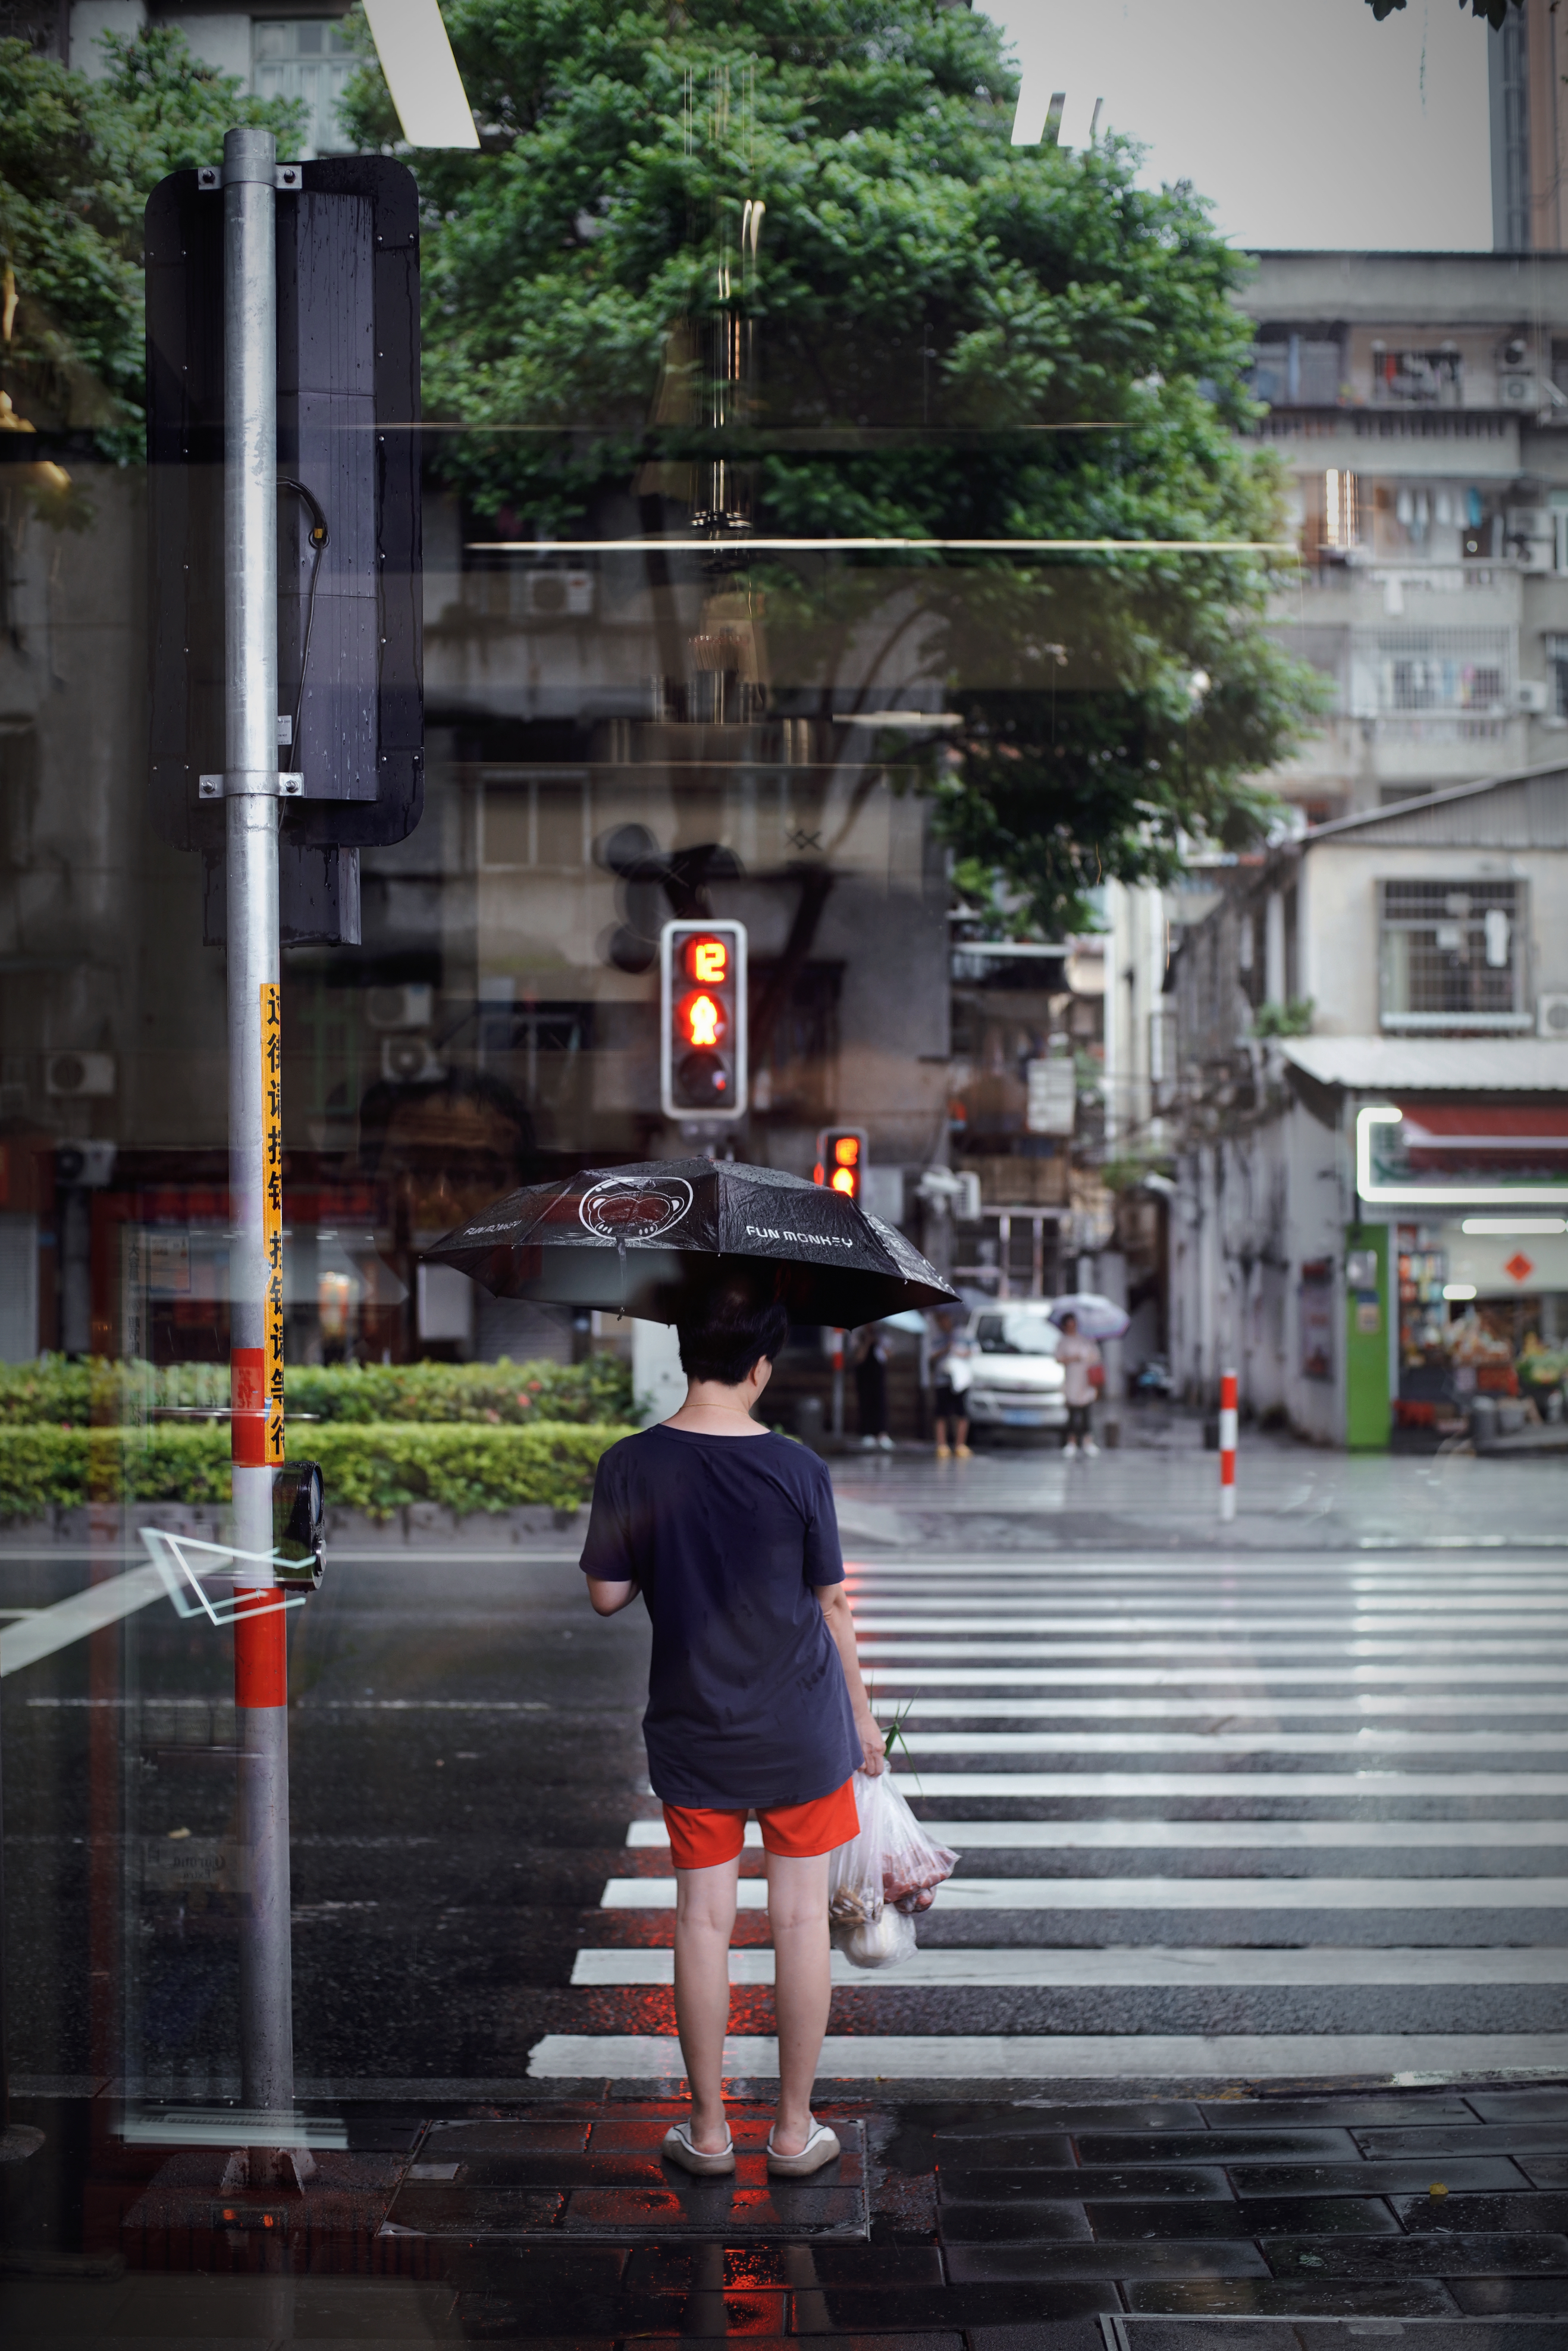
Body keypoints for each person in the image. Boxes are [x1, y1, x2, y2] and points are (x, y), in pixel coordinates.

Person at [580, 1269, 886, 2180]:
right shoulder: (798, 1468)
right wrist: (864, 1724)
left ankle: (709, 2132)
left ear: (684, 1353)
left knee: (702, 1923)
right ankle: (793, 2133)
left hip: (693, 1730)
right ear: (760, 1366)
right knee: (799, 1926)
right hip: (802, 1733)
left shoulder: (632, 1463)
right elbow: (833, 1607)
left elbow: (605, 1596)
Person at [1055, 1309, 1101, 1457]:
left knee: (1087, 1413)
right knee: (1073, 1414)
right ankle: (1071, 1442)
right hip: (1071, 1379)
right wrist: (1073, 1358)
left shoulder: (1085, 1340)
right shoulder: (1063, 1341)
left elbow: (1095, 1357)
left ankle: (1088, 1442)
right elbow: (1058, 1358)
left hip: (1086, 1380)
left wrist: (1086, 1357)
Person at [931, 1315, 973, 1459]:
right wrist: (946, 1348)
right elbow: (931, 1356)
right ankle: (942, 1444)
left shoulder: (963, 1334)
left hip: (960, 1380)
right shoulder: (937, 1337)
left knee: (961, 1412)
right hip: (942, 1379)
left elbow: (974, 1350)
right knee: (941, 1412)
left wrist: (959, 1352)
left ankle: (960, 1444)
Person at [852, 1322, 893, 1449]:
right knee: (866, 1402)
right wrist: (867, 1342)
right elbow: (859, 1358)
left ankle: (881, 1433)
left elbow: (888, 1355)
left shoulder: (882, 1336)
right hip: (864, 1375)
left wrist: (879, 1343)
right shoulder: (858, 1336)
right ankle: (867, 1432)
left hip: (878, 1374)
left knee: (880, 1403)